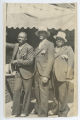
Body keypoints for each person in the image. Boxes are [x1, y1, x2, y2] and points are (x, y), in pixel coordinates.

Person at [11, 32, 34, 117]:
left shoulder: (29, 48)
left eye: (22, 37)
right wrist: (13, 69)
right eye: (19, 37)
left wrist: (18, 61)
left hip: (27, 73)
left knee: (27, 93)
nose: (19, 38)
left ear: (26, 39)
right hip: (18, 73)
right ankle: (15, 111)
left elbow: (30, 61)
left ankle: (24, 111)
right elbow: (13, 57)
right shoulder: (16, 46)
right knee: (16, 90)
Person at [52, 31, 74, 117]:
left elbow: (71, 62)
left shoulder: (68, 49)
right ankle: (56, 109)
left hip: (63, 75)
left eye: (61, 39)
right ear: (55, 40)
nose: (59, 41)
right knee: (55, 95)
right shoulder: (53, 49)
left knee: (62, 95)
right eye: (57, 39)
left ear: (64, 41)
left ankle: (63, 111)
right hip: (53, 75)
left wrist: (68, 75)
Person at [34, 30, 55, 117]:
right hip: (36, 72)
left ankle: (43, 114)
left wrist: (46, 74)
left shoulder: (50, 44)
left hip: (43, 73)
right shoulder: (38, 45)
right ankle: (39, 111)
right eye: (39, 33)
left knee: (44, 94)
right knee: (37, 93)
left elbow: (50, 60)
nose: (40, 35)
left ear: (46, 34)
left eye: (42, 33)